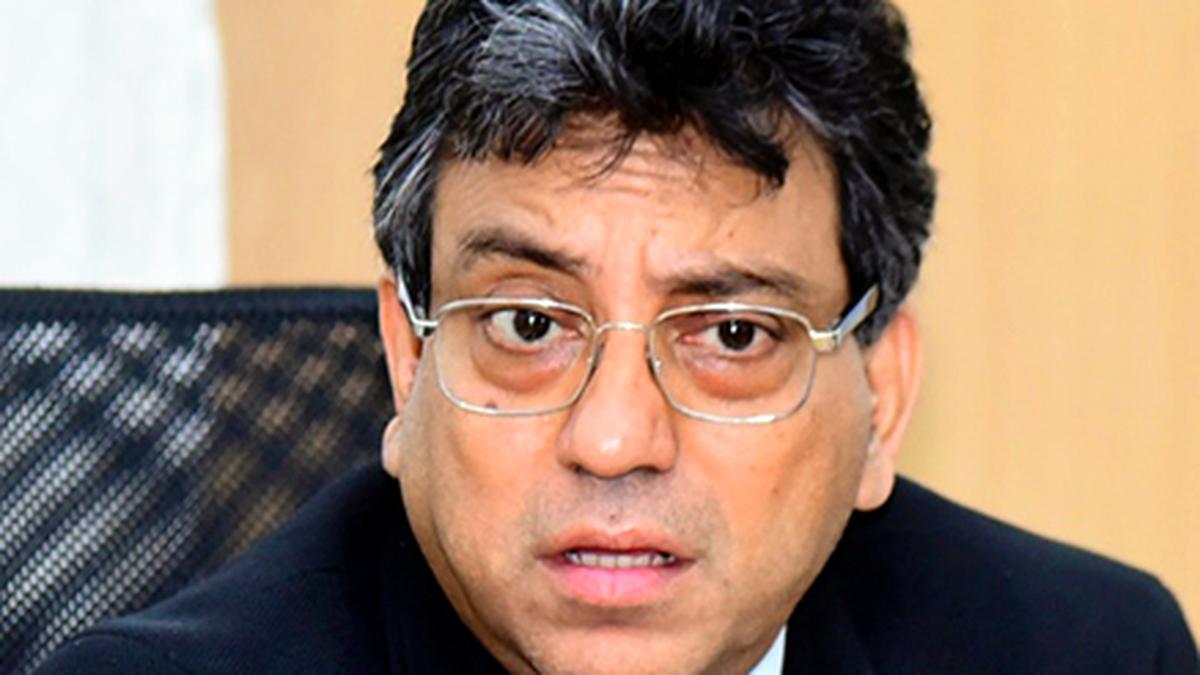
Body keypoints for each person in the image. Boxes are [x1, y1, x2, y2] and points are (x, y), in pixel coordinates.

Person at [35, 0, 1199, 673]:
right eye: (530, 323)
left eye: (732, 332)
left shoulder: (1087, 654)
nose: (613, 439)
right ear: (409, 357)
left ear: (881, 403)